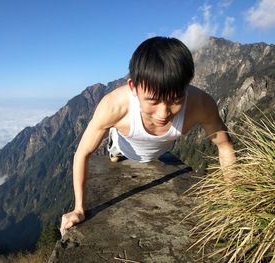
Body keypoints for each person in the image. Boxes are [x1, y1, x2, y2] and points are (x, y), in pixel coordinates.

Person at [59, 36, 236, 237]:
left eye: (175, 100)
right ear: (133, 87)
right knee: (118, 148)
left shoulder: (201, 104)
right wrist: (79, 209)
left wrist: (234, 201)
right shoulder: (114, 106)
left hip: (163, 147)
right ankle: (114, 146)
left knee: (162, 145)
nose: (164, 113)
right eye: (153, 101)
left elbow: (224, 146)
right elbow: (82, 153)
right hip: (125, 143)